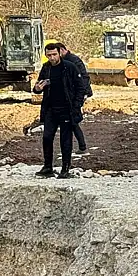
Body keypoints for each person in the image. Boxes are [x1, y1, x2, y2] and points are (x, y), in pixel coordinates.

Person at [32, 43, 85, 178]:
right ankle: (47, 167)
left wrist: (76, 105)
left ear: (59, 53)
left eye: (54, 54)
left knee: (65, 139)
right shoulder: (46, 68)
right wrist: (38, 88)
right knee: (47, 137)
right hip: (50, 109)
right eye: (49, 55)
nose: (52, 58)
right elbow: (37, 87)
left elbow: (81, 87)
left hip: (67, 109)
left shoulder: (69, 67)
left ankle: (65, 169)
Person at [58, 42, 93, 153]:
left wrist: (82, 94)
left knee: (72, 121)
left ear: (63, 50)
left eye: (57, 53)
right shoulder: (65, 61)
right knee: (71, 121)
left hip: (77, 95)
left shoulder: (73, 60)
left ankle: (82, 147)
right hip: (72, 95)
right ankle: (80, 147)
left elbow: (83, 77)